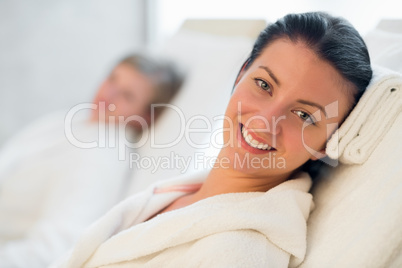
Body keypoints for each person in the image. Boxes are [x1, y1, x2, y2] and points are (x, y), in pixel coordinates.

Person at [53, 12, 372, 268]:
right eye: (263, 84)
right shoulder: (182, 192)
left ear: (325, 144)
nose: (265, 120)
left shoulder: (239, 254)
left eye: (304, 116)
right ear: (240, 76)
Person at [0, 54, 182, 267]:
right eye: (113, 78)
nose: (109, 93)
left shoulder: (101, 153)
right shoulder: (77, 121)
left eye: (127, 95)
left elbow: (53, 249)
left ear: (146, 117)